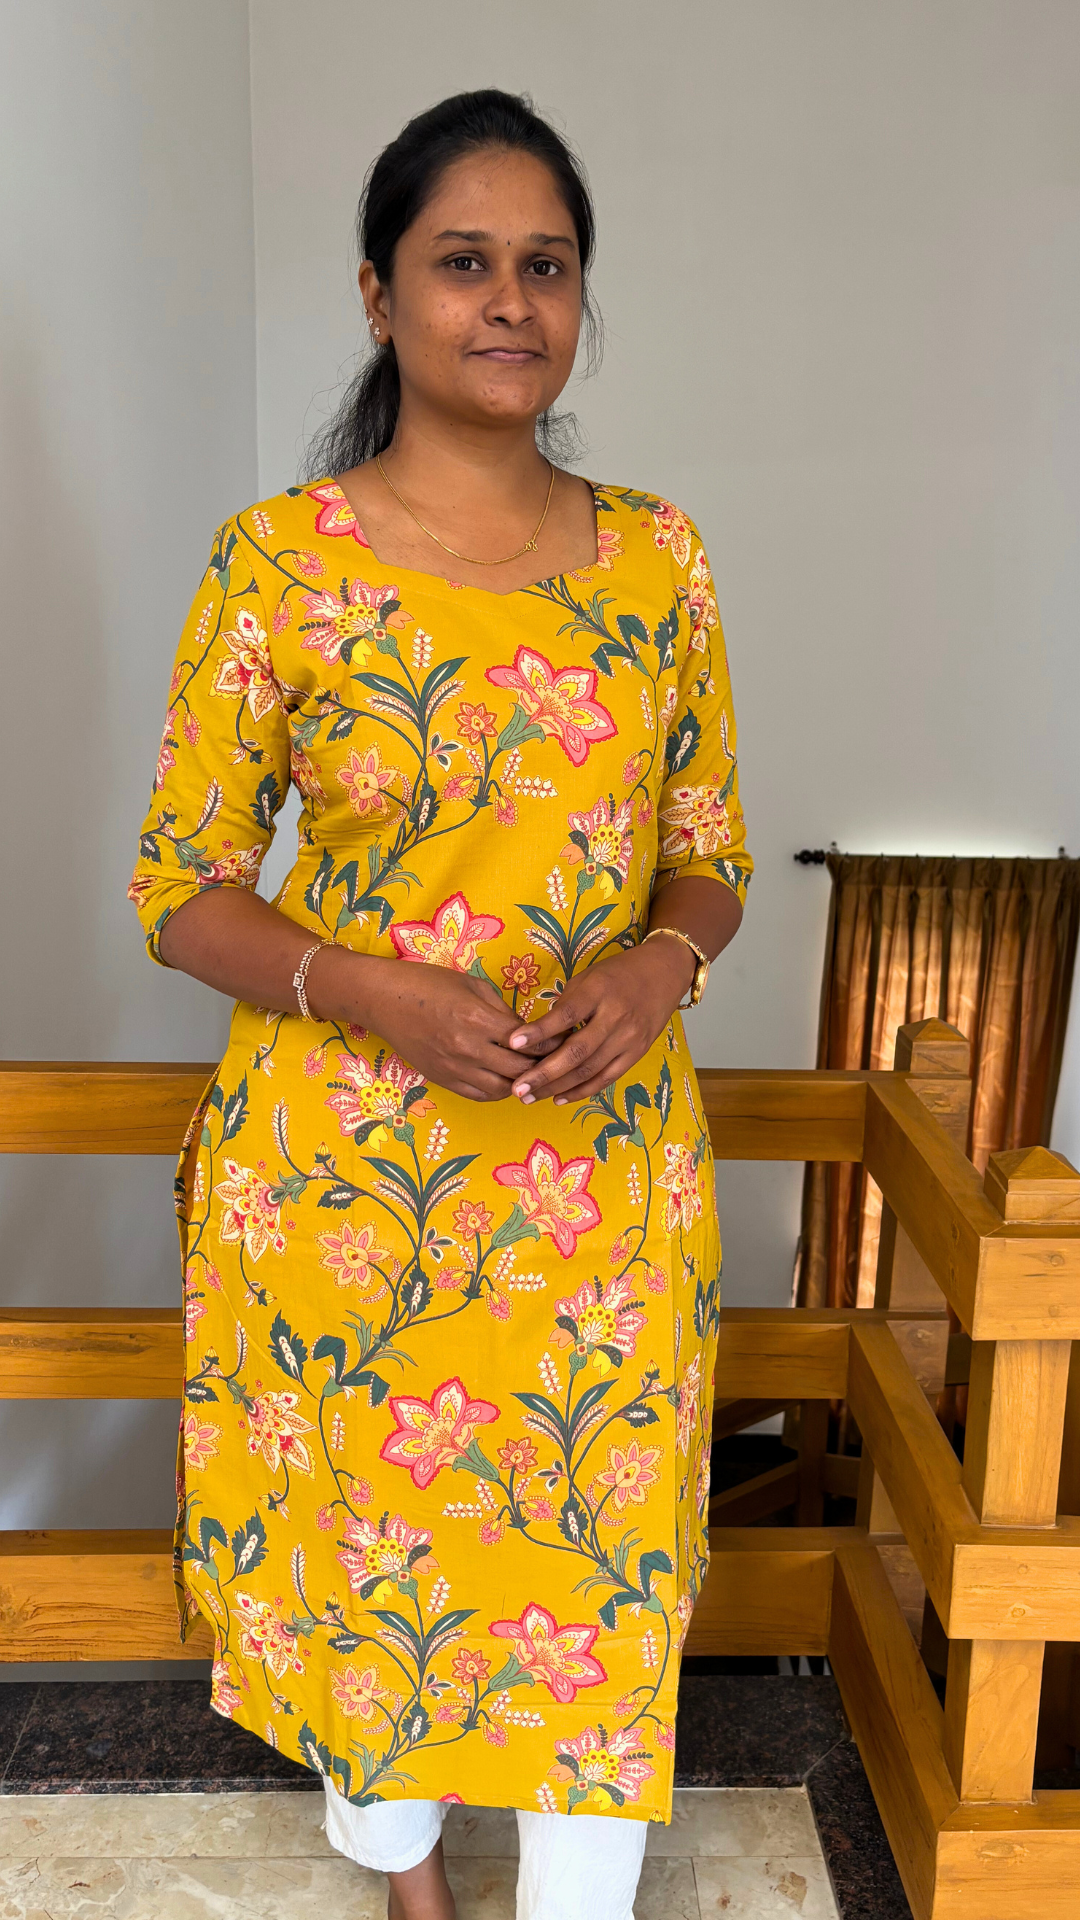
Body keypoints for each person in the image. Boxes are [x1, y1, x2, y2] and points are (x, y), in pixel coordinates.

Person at [130, 87, 752, 1920]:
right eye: (462, 261)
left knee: (596, 1575)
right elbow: (179, 886)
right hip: (344, 1184)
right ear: (378, 293)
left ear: (580, 300)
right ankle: (406, 1874)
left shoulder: (659, 558)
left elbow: (710, 850)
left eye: (545, 266)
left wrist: (658, 963)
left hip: (601, 1184)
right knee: (369, 1556)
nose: (509, 301)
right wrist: (370, 992)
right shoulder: (279, 562)